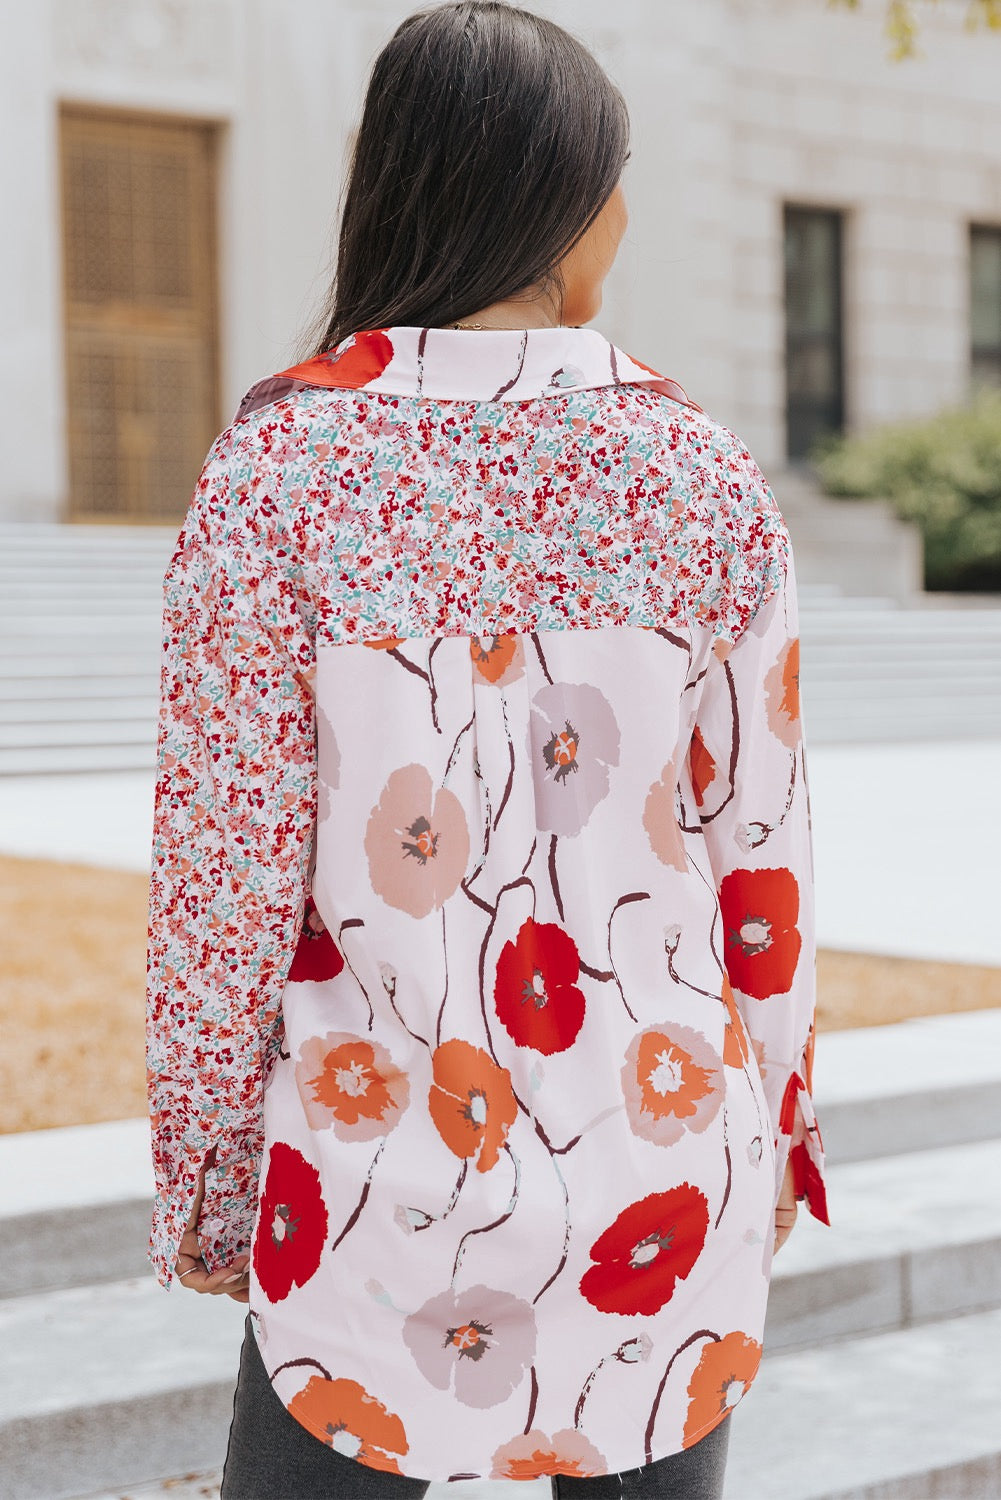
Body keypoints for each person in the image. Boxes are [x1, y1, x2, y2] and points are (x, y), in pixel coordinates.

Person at [145, 4, 832, 1497]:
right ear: (561, 200)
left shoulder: (277, 471)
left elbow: (221, 886)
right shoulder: (699, 472)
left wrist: (204, 1182)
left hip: (371, 1201)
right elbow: (756, 861)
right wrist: (777, 1132)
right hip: (665, 1182)